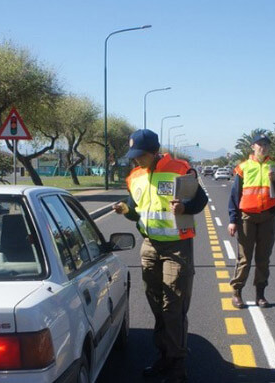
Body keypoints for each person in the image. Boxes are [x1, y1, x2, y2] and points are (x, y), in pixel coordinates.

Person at [113, 129, 208, 383]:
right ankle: (164, 357)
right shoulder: (135, 176)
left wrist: (185, 207)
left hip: (177, 246)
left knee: (173, 308)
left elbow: (201, 200)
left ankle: (178, 366)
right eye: (133, 156)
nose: (135, 160)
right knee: (157, 304)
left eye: (140, 156)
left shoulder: (180, 168)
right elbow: (137, 210)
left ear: (154, 152)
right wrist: (126, 210)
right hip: (149, 246)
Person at [228, 134, 275, 308]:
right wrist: (233, 219)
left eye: (266, 144)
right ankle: (237, 292)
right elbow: (235, 195)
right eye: (260, 144)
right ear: (253, 146)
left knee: (263, 258)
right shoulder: (243, 167)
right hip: (247, 217)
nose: (263, 147)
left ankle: (260, 295)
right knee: (245, 258)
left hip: (267, 217)